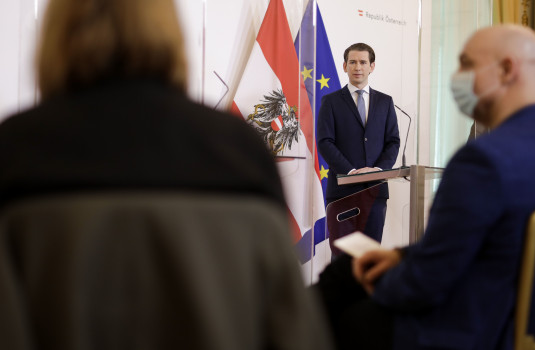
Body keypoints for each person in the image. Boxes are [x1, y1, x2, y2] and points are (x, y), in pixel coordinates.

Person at [0, 0, 333, 349]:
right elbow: (291, 332)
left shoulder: (14, 153)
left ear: (54, 35)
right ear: (172, 32)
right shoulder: (239, 154)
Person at [315, 24, 535, 350]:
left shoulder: (483, 160)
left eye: (466, 63)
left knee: (343, 298)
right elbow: (484, 243)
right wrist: (400, 256)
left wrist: (375, 282)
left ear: (506, 69)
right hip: (528, 324)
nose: (457, 76)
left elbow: (424, 284)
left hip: (468, 330)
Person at [317, 43, 400, 251]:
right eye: (352, 62)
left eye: (363, 62)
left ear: (372, 66)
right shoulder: (330, 101)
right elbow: (325, 142)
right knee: (343, 259)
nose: (358, 67)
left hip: (375, 191)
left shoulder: (385, 102)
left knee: (370, 257)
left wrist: (376, 171)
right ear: (344, 66)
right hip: (342, 193)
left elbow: (393, 142)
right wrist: (352, 172)